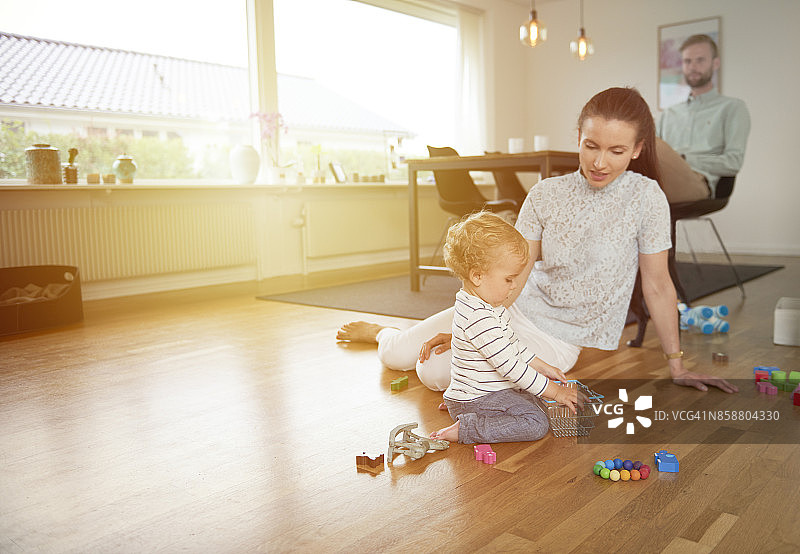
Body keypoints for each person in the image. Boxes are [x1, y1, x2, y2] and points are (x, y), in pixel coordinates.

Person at [337, 87, 739, 397]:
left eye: (617, 150)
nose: (600, 162)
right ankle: (382, 333)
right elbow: (520, 268)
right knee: (399, 355)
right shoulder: (545, 194)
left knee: (435, 373)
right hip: (509, 308)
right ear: (577, 137)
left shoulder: (647, 197)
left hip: (559, 337)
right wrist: (476, 324)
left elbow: (657, 283)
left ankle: (425, 344)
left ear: (637, 149)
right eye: (590, 146)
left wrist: (677, 365)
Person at [427, 211, 577, 444]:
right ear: (477, 276)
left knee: (533, 396)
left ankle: (464, 409)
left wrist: (543, 366)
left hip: (482, 393)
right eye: (509, 279)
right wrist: (555, 392)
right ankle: (467, 428)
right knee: (536, 423)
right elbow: (510, 367)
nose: (515, 285)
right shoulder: (478, 317)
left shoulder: (489, 306)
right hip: (479, 398)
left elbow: (513, 346)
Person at [656, 34, 751, 203]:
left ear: (715, 63)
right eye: (687, 61)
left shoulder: (732, 108)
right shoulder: (668, 114)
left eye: (700, 60)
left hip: (699, 182)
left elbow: (733, 162)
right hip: (660, 180)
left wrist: (684, 160)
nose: (693, 67)